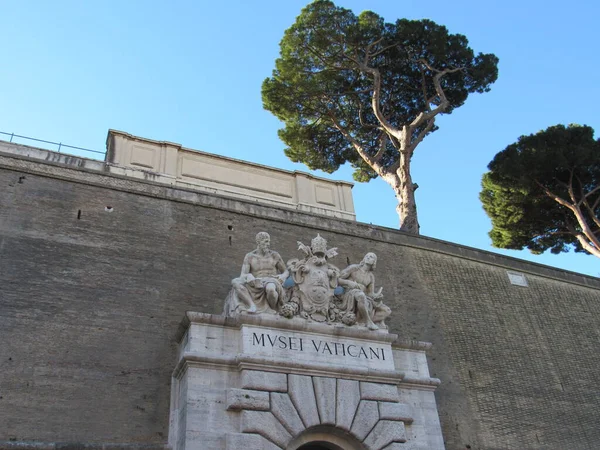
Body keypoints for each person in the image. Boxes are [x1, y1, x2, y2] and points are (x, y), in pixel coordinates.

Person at [224, 232, 288, 315]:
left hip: (271, 280)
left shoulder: (274, 255)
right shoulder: (250, 256)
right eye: (265, 242)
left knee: (270, 289)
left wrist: (283, 276)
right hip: (256, 283)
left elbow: (286, 271)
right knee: (235, 282)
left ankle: (272, 310)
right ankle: (252, 305)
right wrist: (249, 276)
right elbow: (242, 275)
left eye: (269, 242)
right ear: (258, 242)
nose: (268, 244)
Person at [336, 252, 391, 330]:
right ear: (364, 259)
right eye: (367, 256)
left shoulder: (371, 276)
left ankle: (361, 321)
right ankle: (368, 322)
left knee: (387, 310)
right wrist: (349, 283)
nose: (368, 257)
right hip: (348, 293)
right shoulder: (354, 268)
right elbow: (337, 279)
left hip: (364, 296)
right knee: (361, 295)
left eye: (371, 257)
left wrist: (377, 296)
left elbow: (370, 293)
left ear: (374, 262)